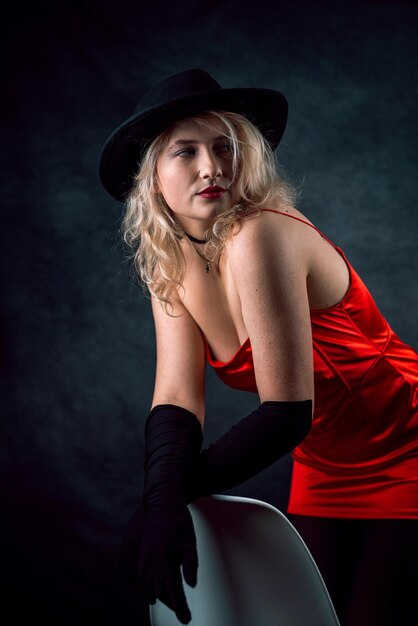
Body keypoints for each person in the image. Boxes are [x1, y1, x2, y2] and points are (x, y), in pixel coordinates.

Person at [98, 69, 418, 626]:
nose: (212, 167)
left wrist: (163, 502)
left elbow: (287, 413)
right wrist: (159, 497)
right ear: (150, 176)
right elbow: (176, 397)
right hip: (326, 463)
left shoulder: (261, 234)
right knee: (310, 617)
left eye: (225, 147)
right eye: (186, 151)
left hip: (407, 443)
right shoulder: (167, 260)